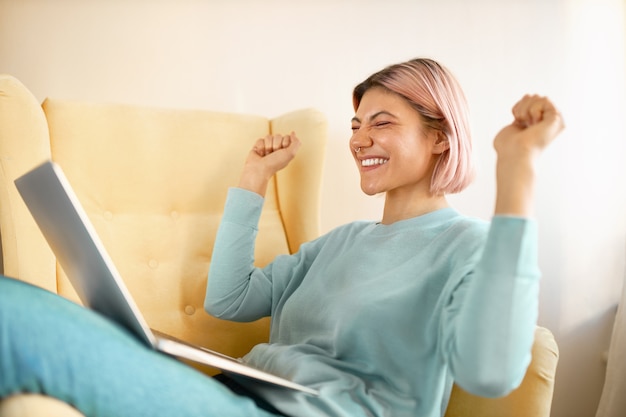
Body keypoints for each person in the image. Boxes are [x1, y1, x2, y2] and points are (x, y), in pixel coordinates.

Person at [0, 58, 564, 417]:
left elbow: (491, 371)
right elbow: (230, 299)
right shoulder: (341, 243)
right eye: (356, 124)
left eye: (383, 122)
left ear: (441, 138)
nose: (360, 139)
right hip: (238, 390)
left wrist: (517, 177)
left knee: (13, 316)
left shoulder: (468, 247)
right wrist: (253, 182)